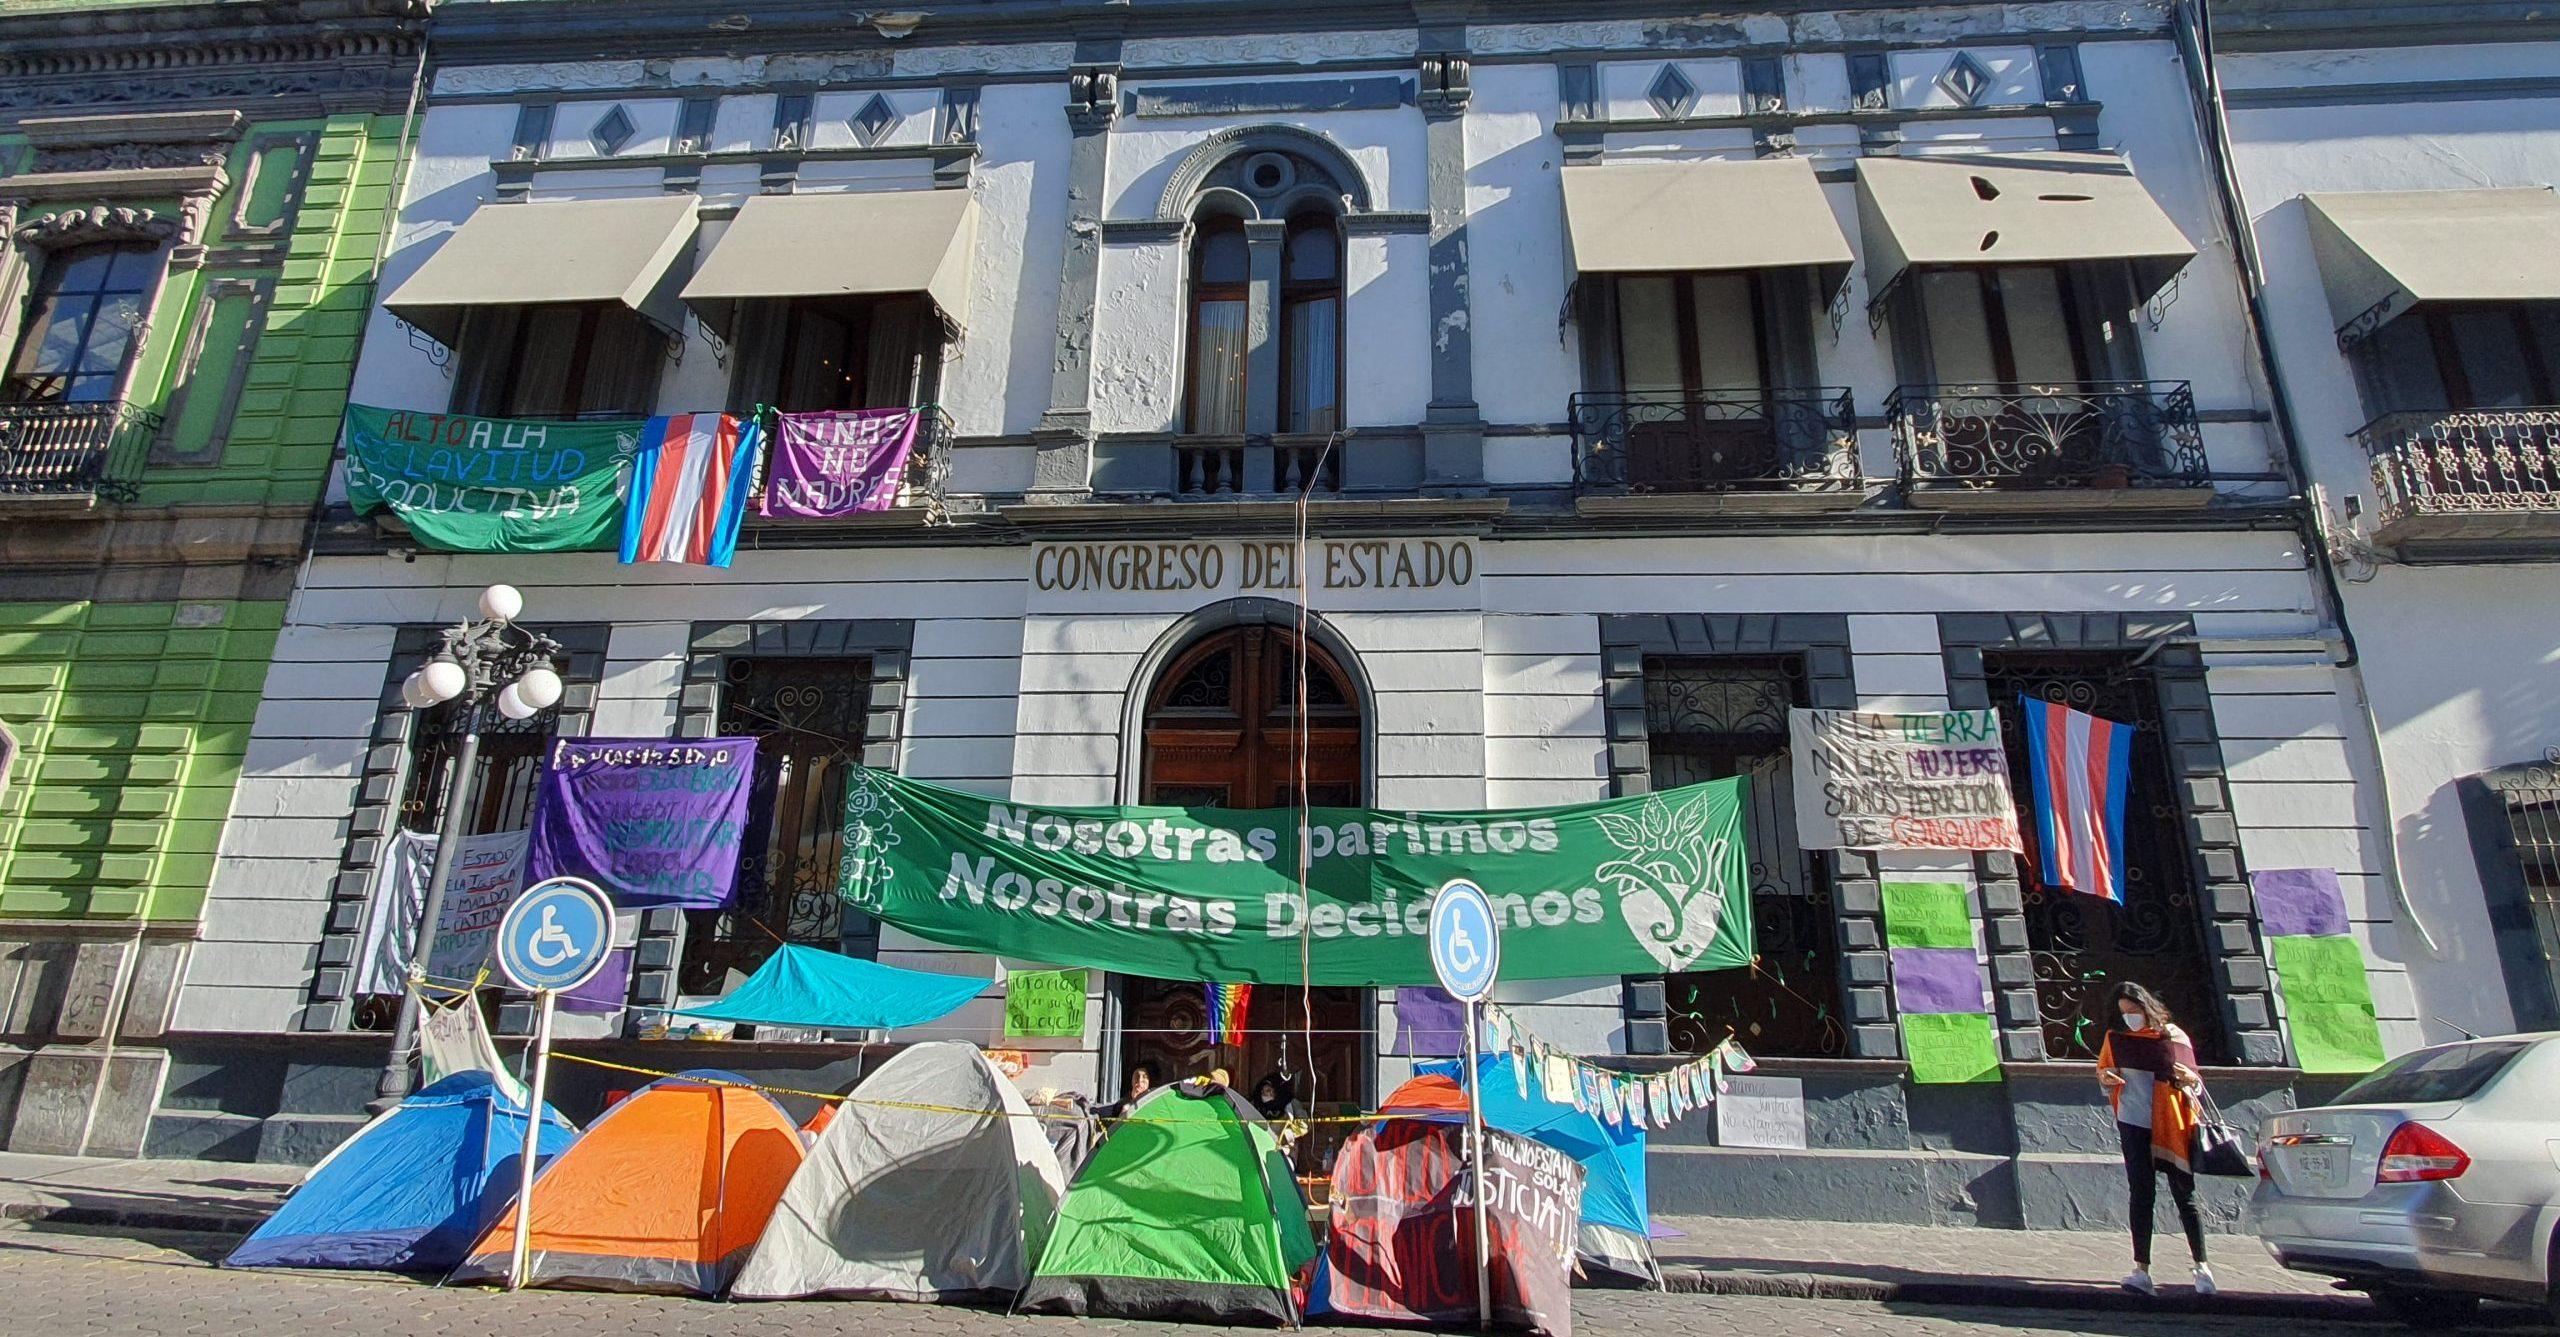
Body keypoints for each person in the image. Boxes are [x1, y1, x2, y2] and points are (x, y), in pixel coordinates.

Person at [2095, 982, 2214, 1297]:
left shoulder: (2173, 1035)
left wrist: (2191, 1080)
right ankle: (2141, 1270)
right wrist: (2107, 1080)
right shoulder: (2116, 1039)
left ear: (2146, 1008)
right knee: (2141, 1193)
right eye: (2123, 1013)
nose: (2129, 1018)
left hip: (2172, 1122)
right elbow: (2104, 1075)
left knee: (2184, 1195)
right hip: (2133, 1120)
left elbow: (2194, 1080)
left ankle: (2202, 1267)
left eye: (2133, 1011)